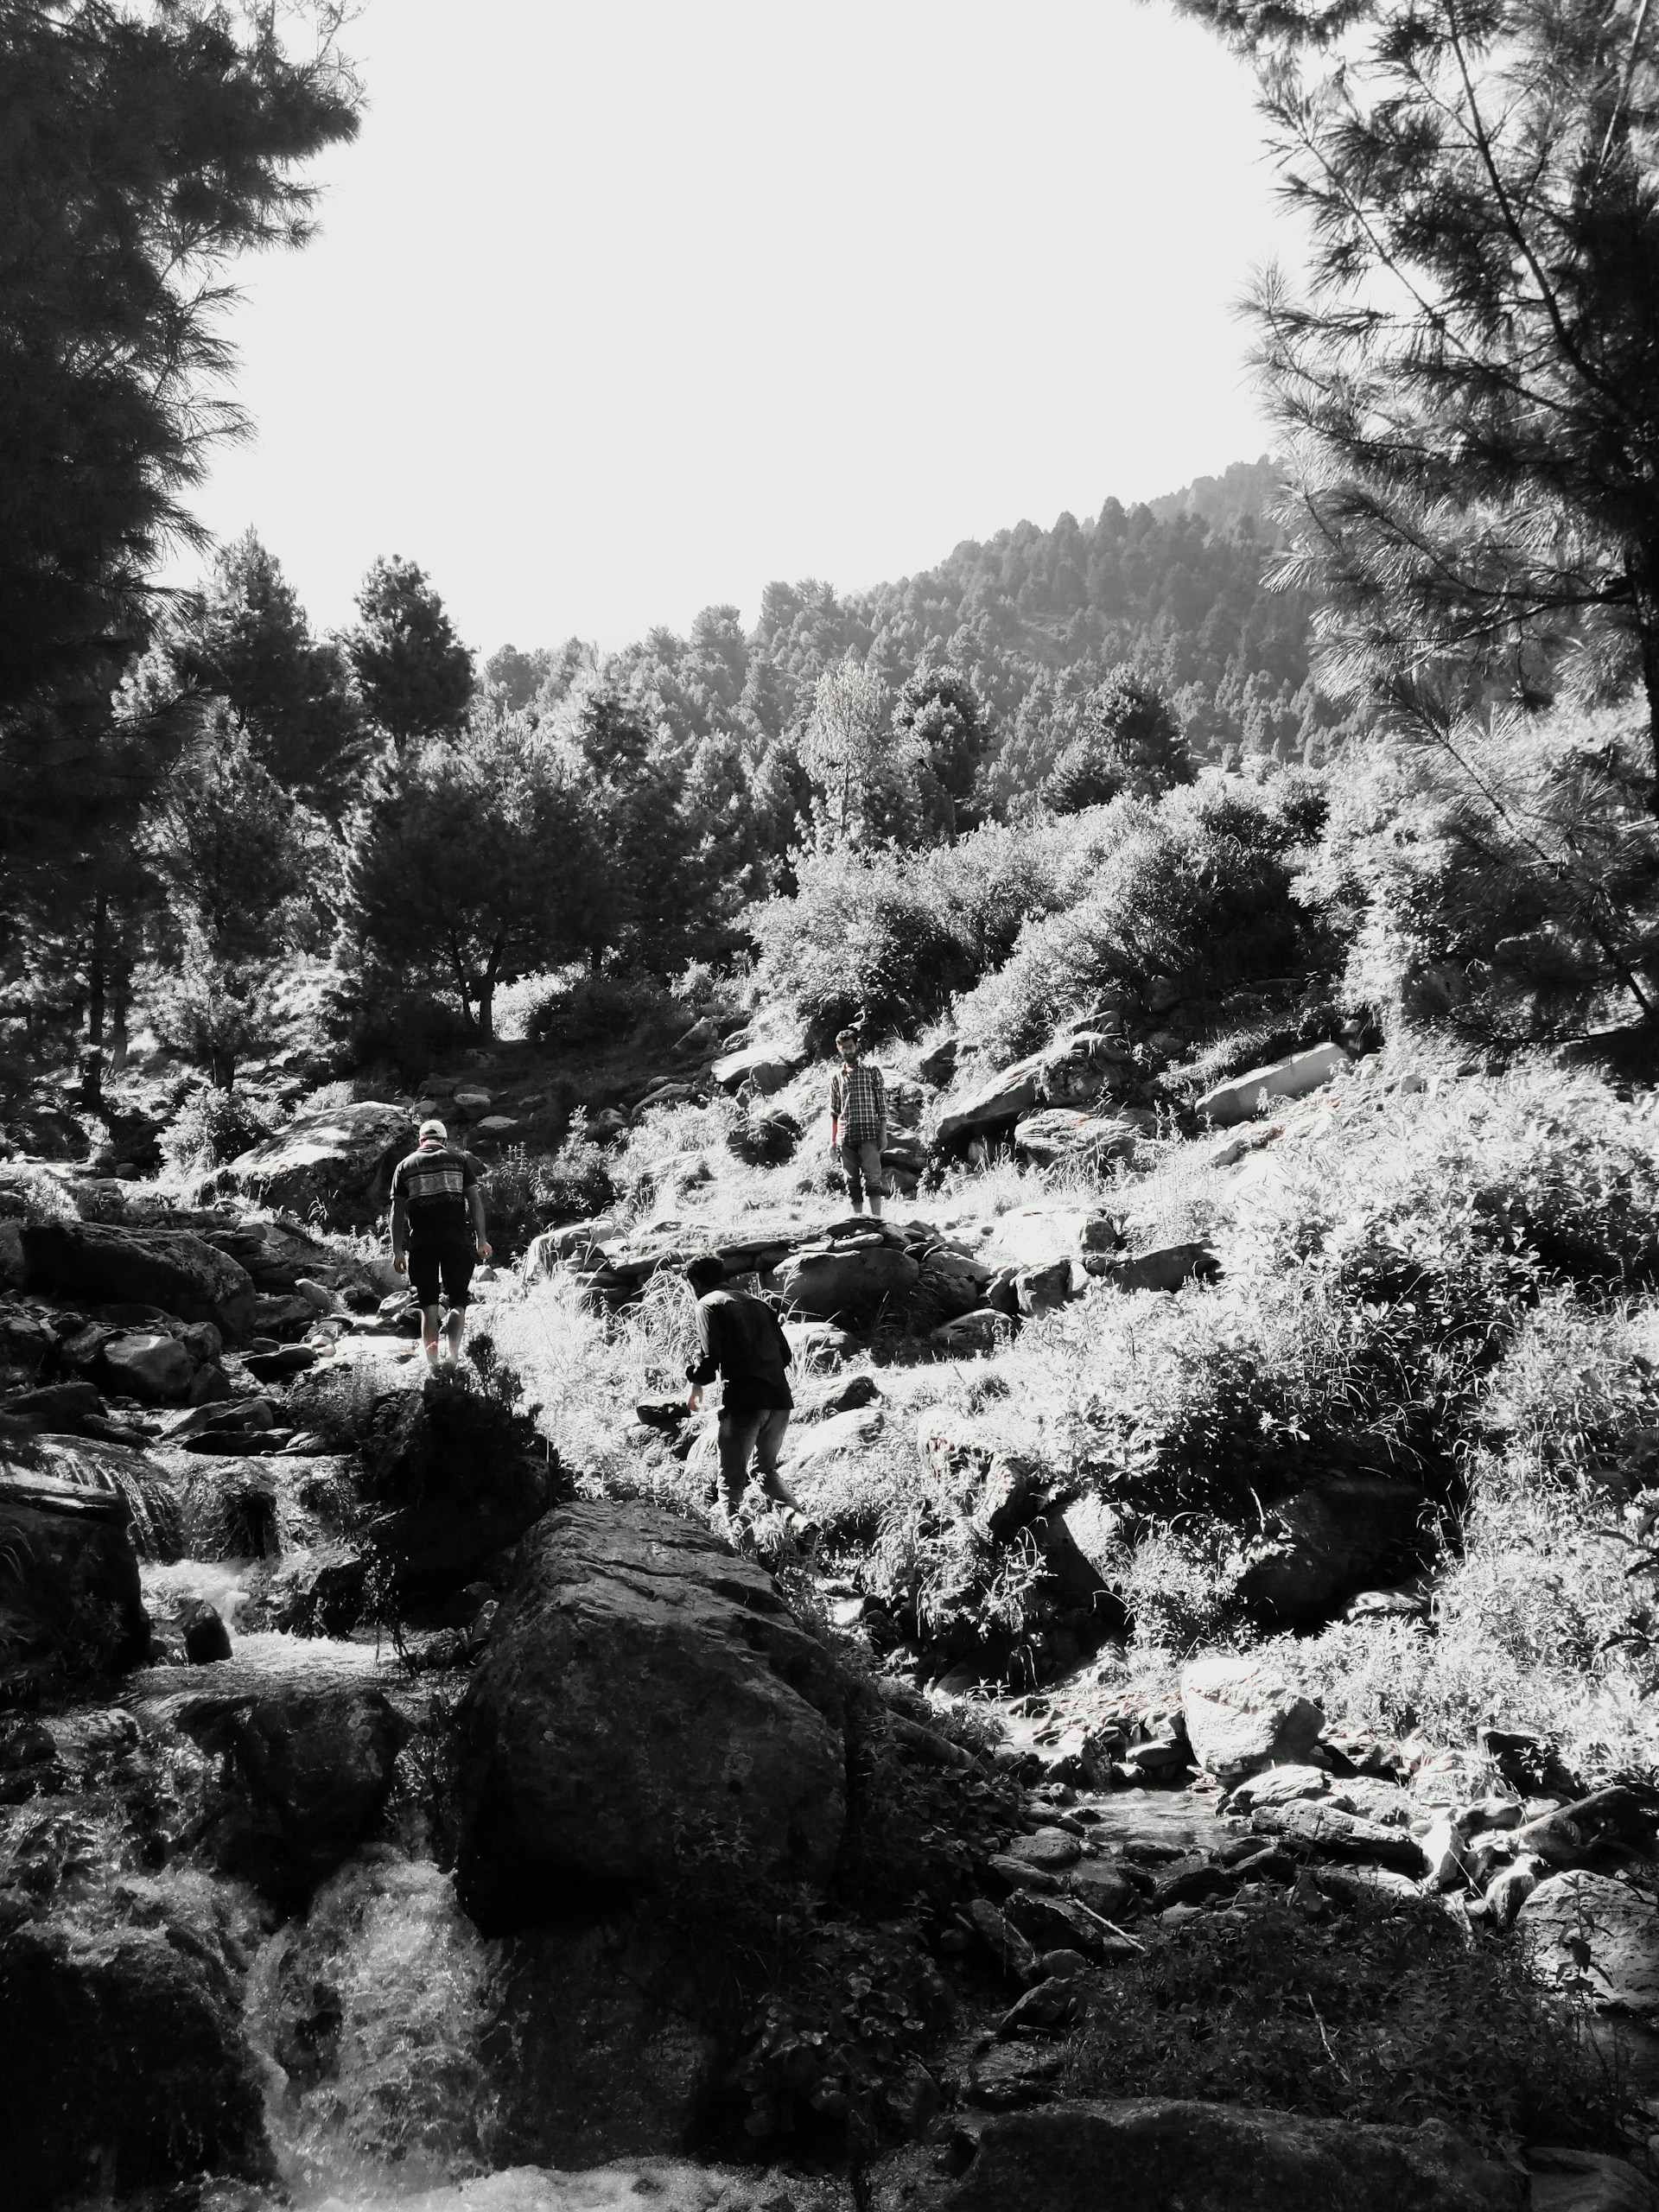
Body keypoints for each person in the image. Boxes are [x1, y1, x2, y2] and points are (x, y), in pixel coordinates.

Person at [683, 1254, 809, 1530]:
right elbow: (785, 1355)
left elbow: (710, 1357)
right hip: (779, 1400)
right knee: (765, 1473)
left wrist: (695, 1382)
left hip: (743, 1403)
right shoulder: (759, 1304)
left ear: (695, 1283)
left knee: (730, 1485)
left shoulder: (707, 1305)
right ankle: (801, 1525)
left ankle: (742, 1556)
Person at [389, 1117, 492, 1367]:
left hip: (422, 1244)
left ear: (420, 1140)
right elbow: (475, 1203)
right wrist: (482, 1240)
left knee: (429, 1306)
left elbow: (397, 1212)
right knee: (458, 1301)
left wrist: (397, 1250)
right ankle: (453, 1357)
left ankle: (433, 1366)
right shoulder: (459, 1161)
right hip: (456, 1241)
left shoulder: (404, 1166)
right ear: (444, 1140)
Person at [828, 1027, 887, 1218]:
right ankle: (859, 1222)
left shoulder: (871, 1071)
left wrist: (883, 1133)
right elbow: (834, 1112)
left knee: (873, 1179)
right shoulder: (837, 1078)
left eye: (851, 1046)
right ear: (839, 1049)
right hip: (846, 1135)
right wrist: (832, 1140)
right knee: (852, 1182)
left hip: (869, 1133)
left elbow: (882, 1106)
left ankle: (877, 1220)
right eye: (844, 1048)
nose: (848, 1051)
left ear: (857, 1045)